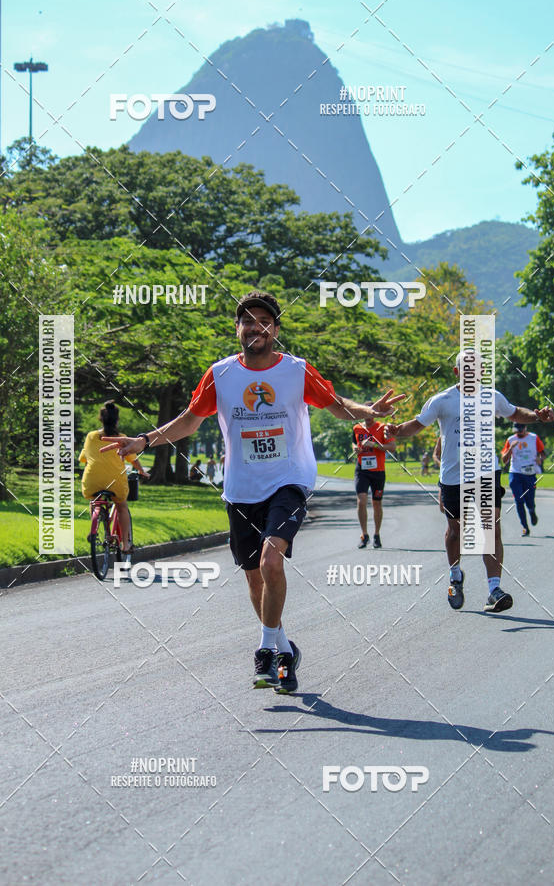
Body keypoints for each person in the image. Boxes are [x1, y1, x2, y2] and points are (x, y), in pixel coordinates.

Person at [101, 291, 404, 693]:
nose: (255, 327)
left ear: (276, 330)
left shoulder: (296, 370)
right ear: (237, 329)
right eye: (247, 321)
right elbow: (189, 420)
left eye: (264, 321)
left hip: (289, 481)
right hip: (241, 489)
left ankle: (264, 650)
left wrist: (369, 411)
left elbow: (335, 405)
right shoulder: (221, 374)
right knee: (254, 579)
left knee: (270, 560)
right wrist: (143, 440)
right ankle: (284, 649)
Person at [385, 351, 554, 613]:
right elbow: (417, 424)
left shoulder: (492, 397)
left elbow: (513, 413)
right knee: (456, 532)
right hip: (453, 477)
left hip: (486, 472)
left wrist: (537, 416)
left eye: (477, 368)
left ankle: (494, 590)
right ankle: (455, 576)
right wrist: (397, 430)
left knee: (490, 528)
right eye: (467, 368)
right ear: (457, 372)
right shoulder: (442, 400)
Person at [79, 401, 150, 560]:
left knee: (95, 500)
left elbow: (83, 458)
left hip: (92, 481)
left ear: (101, 419)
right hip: (115, 482)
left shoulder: (91, 436)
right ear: (117, 420)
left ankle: (95, 527)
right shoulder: (122, 438)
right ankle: (125, 545)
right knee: (122, 506)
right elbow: (133, 459)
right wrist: (141, 471)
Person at [352, 419, 396, 548]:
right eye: (365, 414)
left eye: (371, 414)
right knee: (361, 501)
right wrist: (355, 448)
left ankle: (377, 534)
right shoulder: (357, 427)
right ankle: (364, 535)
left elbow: (392, 447)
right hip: (362, 470)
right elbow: (354, 442)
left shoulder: (382, 427)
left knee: (376, 503)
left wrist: (374, 444)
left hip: (378, 472)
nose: (368, 417)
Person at [501, 422, 545, 536]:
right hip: (515, 473)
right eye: (517, 430)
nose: (519, 432)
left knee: (530, 500)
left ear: (525, 428)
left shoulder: (534, 438)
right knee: (519, 500)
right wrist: (510, 448)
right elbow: (504, 460)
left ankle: (531, 510)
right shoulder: (510, 439)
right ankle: (525, 527)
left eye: (521, 429)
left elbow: (542, 453)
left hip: (530, 474)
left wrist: (539, 459)